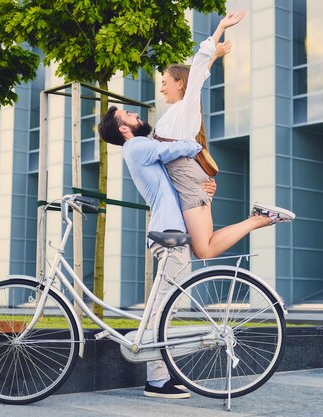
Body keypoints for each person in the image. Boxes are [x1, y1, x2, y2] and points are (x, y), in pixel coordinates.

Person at [154, 10, 295, 259]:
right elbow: (197, 74)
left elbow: (196, 72)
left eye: (165, 81)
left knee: (204, 250)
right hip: (188, 181)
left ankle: (257, 220)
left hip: (188, 181)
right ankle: (257, 219)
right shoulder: (175, 113)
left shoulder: (186, 107)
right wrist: (215, 57)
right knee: (202, 250)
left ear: (180, 84)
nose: (162, 86)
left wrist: (219, 29)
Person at [98, 107, 208, 399]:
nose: (135, 114)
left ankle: (161, 374)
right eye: (128, 115)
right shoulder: (137, 146)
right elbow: (174, 148)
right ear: (124, 129)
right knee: (164, 307)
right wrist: (198, 144)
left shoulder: (138, 147)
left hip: (171, 232)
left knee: (163, 306)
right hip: (169, 234)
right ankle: (157, 380)